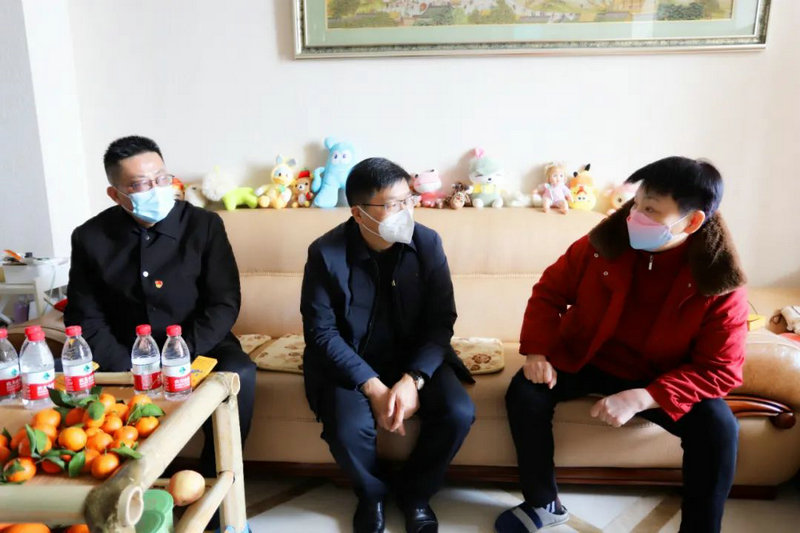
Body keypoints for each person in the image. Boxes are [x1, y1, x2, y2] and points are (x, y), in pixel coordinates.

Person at [495, 156, 747, 533]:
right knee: (525, 392)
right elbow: (549, 292)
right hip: (586, 355)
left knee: (718, 427)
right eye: (636, 203)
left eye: (651, 210)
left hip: (662, 376)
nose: (634, 216)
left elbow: (720, 370)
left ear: (692, 221)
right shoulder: (603, 243)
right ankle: (542, 502)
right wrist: (537, 351)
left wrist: (645, 397)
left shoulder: (719, 282)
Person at [64, 135, 256, 490]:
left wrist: (181, 356)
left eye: (162, 179)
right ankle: (119, 485)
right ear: (116, 194)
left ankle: (213, 483)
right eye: (141, 184)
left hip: (201, 344)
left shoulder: (204, 225)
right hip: (125, 350)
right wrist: (128, 366)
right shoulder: (90, 238)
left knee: (240, 372)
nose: (156, 190)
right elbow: (84, 316)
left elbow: (224, 302)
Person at [301, 157, 476, 533]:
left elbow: (441, 321)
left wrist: (414, 378)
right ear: (359, 213)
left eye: (408, 200)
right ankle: (372, 495)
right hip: (350, 360)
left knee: (458, 412)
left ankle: (415, 494)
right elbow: (321, 332)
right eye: (393, 204)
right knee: (347, 427)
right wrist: (372, 386)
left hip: (416, 356)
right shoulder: (325, 253)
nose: (405, 212)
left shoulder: (427, 242)